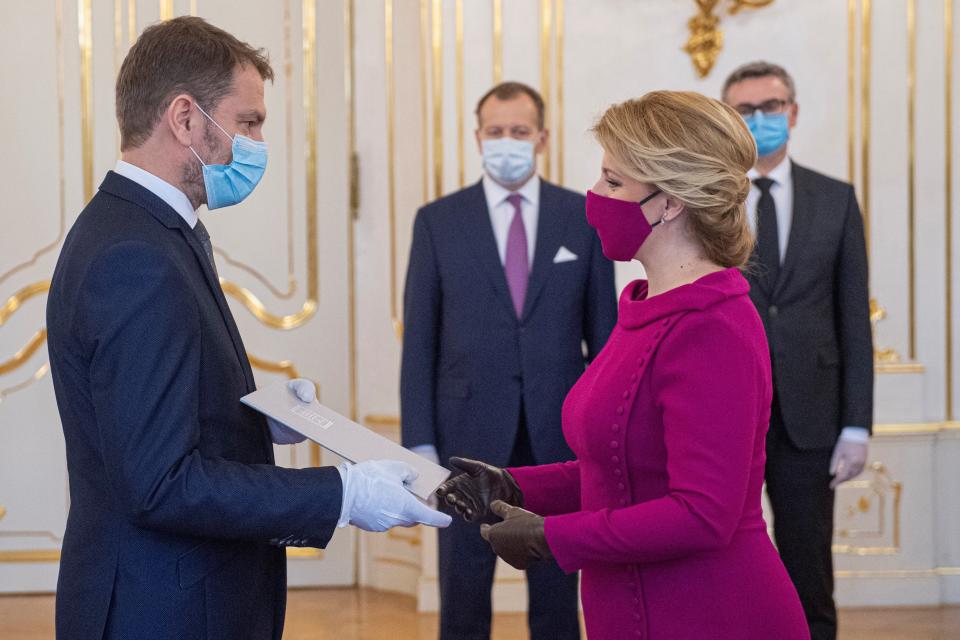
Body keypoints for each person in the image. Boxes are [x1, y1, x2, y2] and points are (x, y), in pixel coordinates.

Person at [46, 17, 449, 640]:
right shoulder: (139, 256)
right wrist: (340, 494)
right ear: (185, 119)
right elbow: (160, 483)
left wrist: (254, 418)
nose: (260, 142)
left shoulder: (141, 229)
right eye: (249, 122)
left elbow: (142, 422)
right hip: (163, 608)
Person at [437, 90, 810, 639]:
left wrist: (553, 537)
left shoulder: (713, 325)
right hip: (635, 605)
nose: (592, 195)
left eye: (613, 182)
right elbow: (618, 466)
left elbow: (703, 513)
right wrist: (514, 486)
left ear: (671, 201)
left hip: (706, 612)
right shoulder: (643, 303)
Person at [401, 81, 617, 640]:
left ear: (542, 138)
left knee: (556, 589)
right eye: (495, 132)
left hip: (559, 437)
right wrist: (420, 444)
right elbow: (420, 341)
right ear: (477, 138)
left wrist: (607, 437)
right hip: (466, 439)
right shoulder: (438, 221)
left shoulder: (584, 218)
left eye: (519, 132)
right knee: (464, 588)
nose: (507, 142)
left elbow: (607, 341)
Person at [721, 61, 873, 640]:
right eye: (745, 110)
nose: (761, 119)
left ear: (794, 111)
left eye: (772, 106)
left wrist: (856, 425)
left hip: (811, 417)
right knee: (727, 561)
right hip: (730, 410)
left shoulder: (835, 199)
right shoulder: (709, 200)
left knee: (808, 566)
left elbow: (853, 318)